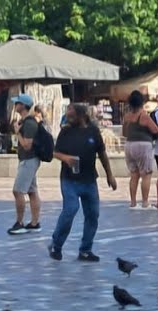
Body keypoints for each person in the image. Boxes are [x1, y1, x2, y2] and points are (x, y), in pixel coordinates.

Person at [49, 103, 118, 262]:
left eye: (71, 115)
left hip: (89, 180)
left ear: (82, 116)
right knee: (71, 210)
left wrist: (110, 175)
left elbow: (102, 154)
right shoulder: (65, 131)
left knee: (93, 214)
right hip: (69, 180)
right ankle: (56, 245)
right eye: (67, 114)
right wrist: (66, 158)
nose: (68, 118)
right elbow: (55, 152)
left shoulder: (93, 131)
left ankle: (85, 250)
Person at [9, 94, 44, 234]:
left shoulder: (29, 123)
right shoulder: (25, 121)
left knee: (18, 191)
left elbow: (27, 145)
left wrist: (17, 133)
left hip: (29, 160)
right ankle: (35, 223)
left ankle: (20, 223)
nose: (15, 105)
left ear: (23, 105)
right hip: (29, 160)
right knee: (32, 191)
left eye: (17, 103)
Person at [121, 90, 158, 207]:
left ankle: (133, 202)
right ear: (141, 103)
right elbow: (156, 130)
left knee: (134, 174)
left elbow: (124, 133)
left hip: (129, 145)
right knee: (146, 174)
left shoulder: (127, 117)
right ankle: (145, 202)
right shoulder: (144, 117)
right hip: (143, 145)